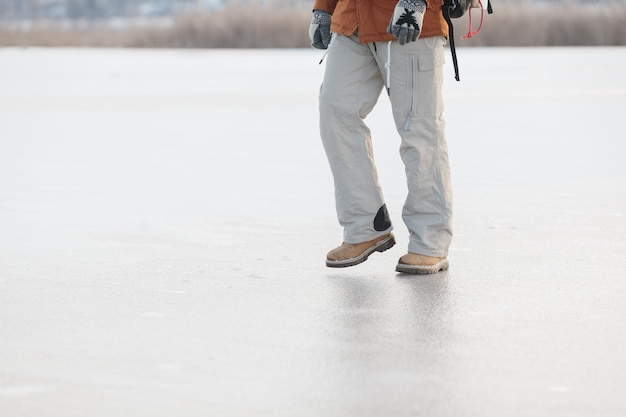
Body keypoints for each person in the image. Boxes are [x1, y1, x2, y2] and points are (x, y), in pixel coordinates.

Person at [309, 0, 453, 274]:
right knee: (335, 109)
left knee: (420, 130)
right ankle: (365, 225)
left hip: (411, 22)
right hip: (353, 19)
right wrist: (323, 8)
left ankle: (430, 241)